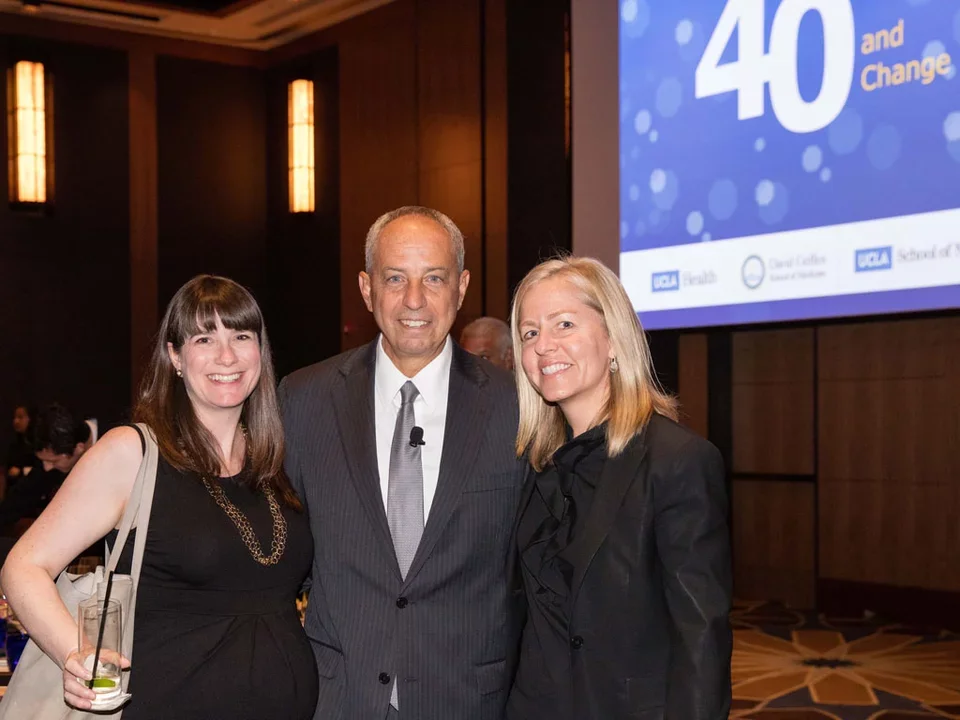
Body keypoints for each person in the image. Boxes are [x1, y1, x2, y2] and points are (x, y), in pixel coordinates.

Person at [0, 275, 318, 719]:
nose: (226, 356)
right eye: (204, 338)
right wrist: (75, 655)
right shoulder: (132, 452)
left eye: (241, 336)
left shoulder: (277, 459)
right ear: (175, 357)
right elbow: (24, 565)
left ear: (259, 351)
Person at [279, 206, 527, 720]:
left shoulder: (518, 407)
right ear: (367, 289)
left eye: (433, 278)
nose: (414, 300)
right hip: (338, 700)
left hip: (469, 700)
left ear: (461, 287)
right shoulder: (304, 400)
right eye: (396, 278)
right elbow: (283, 554)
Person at [506, 256, 732, 720]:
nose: (543, 346)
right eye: (529, 333)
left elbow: (701, 638)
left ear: (613, 340)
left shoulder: (677, 461)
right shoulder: (532, 466)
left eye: (563, 324)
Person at [0, 404, 90, 538]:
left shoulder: (113, 443)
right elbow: (22, 496)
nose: (47, 467)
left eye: (54, 461)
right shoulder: (51, 450)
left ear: (79, 448)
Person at [4, 405, 35, 485]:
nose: (16, 421)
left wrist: (21, 471)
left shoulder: (38, 443)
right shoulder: (13, 444)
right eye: (15, 417)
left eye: (20, 417)